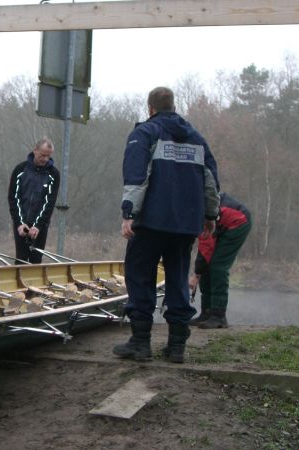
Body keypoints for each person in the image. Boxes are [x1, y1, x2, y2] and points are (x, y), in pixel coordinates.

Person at [113, 86, 220, 364]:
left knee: (140, 277)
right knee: (178, 279)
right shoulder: (196, 138)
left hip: (151, 222)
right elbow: (210, 179)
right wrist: (210, 215)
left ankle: (140, 343)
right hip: (185, 225)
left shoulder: (145, 134)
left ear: (150, 108)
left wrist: (128, 213)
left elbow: (136, 176)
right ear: (173, 106)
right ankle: (176, 348)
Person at [188, 192, 252, 329]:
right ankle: (206, 312)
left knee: (217, 267)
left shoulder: (201, 211)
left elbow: (206, 246)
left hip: (238, 222)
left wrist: (196, 275)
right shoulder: (191, 208)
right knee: (207, 266)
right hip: (221, 223)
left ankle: (218, 316)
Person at [8, 138, 60, 264]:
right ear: (35, 151)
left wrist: (38, 225)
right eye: (43, 155)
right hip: (21, 223)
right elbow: (13, 198)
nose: (45, 159)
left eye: (48, 156)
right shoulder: (20, 170)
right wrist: (19, 223)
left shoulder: (53, 174)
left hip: (40, 226)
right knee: (21, 259)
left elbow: (49, 202)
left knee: (36, 260)